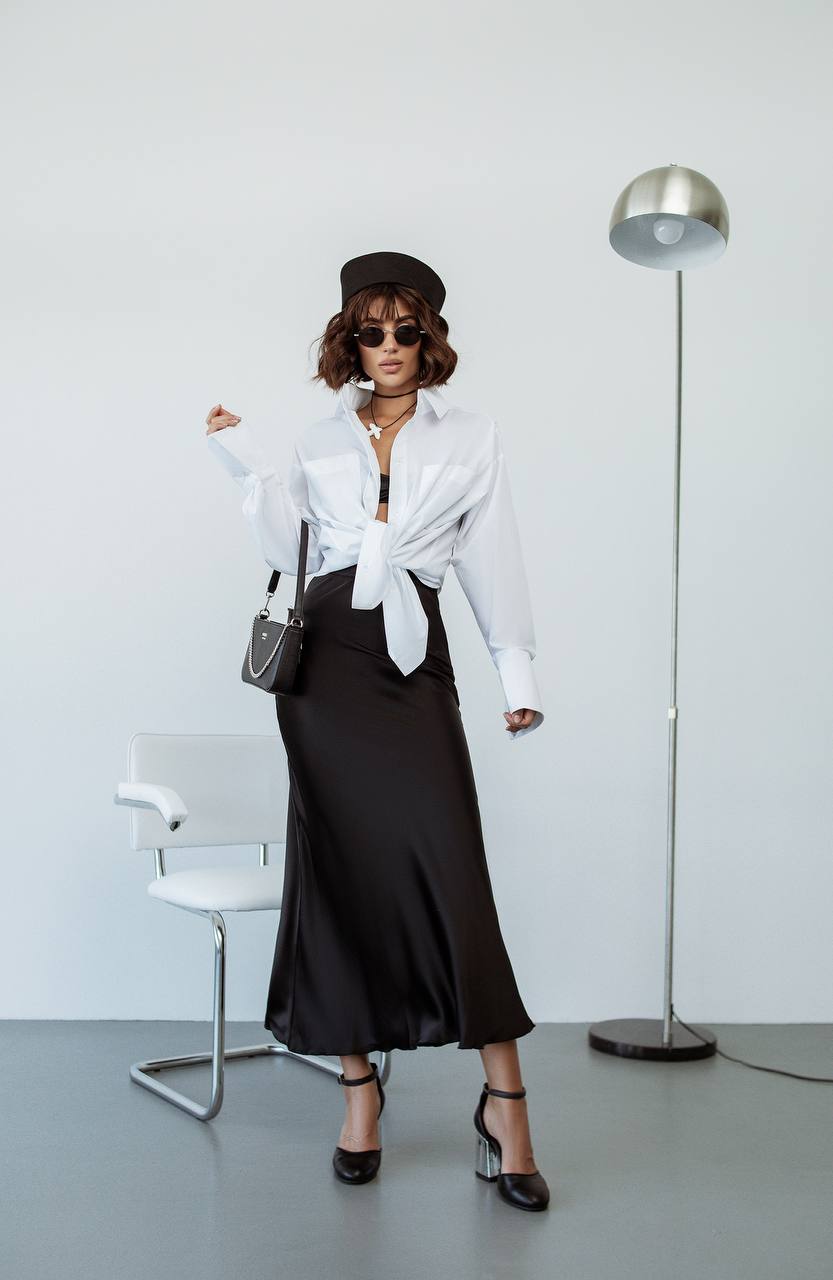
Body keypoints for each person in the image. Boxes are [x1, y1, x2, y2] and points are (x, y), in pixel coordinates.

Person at [203, 250, 550, 1212]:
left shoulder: (470, 436)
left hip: (414, 654)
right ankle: (359, 1098)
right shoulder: (321, 436)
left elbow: (492, 558)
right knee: (342, 871)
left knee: (451, 868)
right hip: (324, 670)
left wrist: (512, 674)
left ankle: (506, 1103)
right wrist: (246, 465)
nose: (388, 346)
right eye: (371, 331)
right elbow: (288, 550)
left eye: (404, 330)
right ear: (348, 338)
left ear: (428, 338)